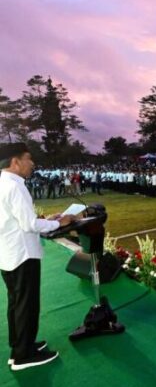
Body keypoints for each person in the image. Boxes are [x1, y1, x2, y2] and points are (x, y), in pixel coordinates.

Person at [0, 143, 75, 371]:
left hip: (8, 253)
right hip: (22, 254)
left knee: (16, 303)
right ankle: (23, 356)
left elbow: (17, 219)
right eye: (28, 158)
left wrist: (46, 219)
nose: (32, 163)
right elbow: (29, 224)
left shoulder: (2, 183)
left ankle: (20, 347)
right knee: (27, 305)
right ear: (15, 162)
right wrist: (57, 222)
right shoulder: (15, 186)